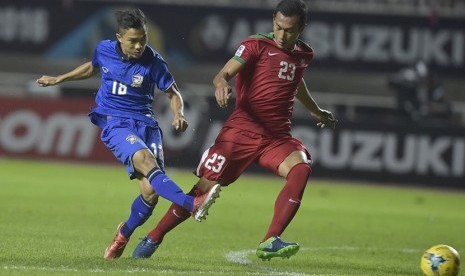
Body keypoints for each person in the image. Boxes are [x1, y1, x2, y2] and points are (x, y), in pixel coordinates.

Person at [132, 0, 337, 261]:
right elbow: (223, 74)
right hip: (241, 134)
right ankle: (154, 237)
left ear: (302, 29)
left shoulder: (304, 54)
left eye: (290, 30)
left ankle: (270, 239)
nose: (282, 35)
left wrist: (316, 110)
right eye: (278, 27)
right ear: (273, 20)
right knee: (202, 191)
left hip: (276, 137)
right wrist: (222, 85)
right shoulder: (256, 45)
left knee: (301, 169)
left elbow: (296, 81)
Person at [36, 9, 220, 260]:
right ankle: (192, 204)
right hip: (116, 122)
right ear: (119, 38)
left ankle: (124, 232)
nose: (138, 46)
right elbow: (93, 68)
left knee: (150, 193)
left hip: (146, 124)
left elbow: (173, 93)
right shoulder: (104, 49)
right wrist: (60, 79)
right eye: (133, 40)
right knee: (145, 161)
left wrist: (179, 114)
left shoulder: (154, 61)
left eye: (143, 39)